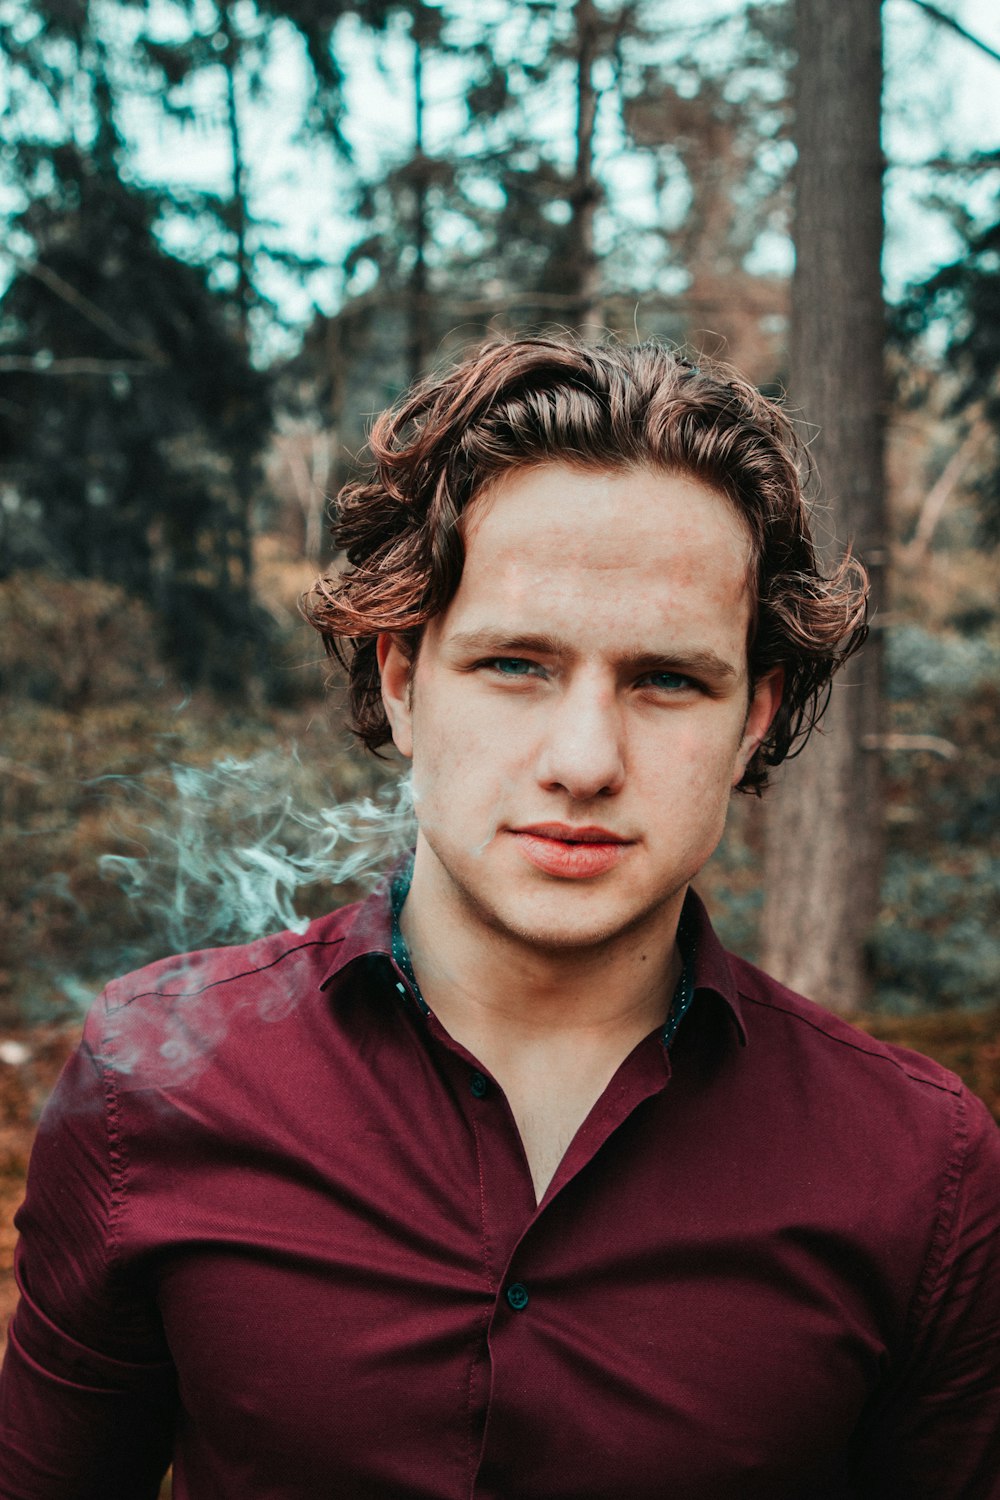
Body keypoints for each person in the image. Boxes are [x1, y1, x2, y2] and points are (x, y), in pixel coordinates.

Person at [1, 336, 998, 1499]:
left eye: (667, 680)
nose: (583, 762)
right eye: (516, 665)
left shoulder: (922, 1171)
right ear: (400, 678)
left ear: (754, 716)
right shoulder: (148, 1086)